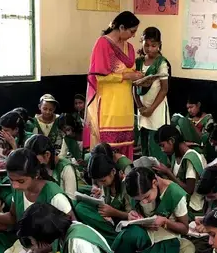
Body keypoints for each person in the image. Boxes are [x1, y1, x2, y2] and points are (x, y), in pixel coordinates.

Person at [84, 11, 142, 158]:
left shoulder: (129, 48)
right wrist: (126, 76)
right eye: (132, 31)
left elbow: (130, 71)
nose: (134, 35)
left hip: (126, 104)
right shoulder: (102, 43)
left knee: (126, 143)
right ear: (122, 28)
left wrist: (139, 78)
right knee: (108, 147)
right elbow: (99, 76)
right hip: (109, 103)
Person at [111, 167, 189, 253]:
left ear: (154, 183)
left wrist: (165, 222)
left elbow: (185, 229)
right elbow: (137, 209)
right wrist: (132, 214)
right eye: (139, 200)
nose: (144, 202)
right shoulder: (139, 189)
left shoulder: (174, 193)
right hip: (146, 232)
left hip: (167, 240)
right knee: (126, 237)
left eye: (147, 197)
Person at [74, 153, 131, 245]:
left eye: (103, 180)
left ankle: (114, 239)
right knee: (80, 207)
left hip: (122, 224)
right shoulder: (106, 185)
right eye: (98, 181)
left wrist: (114, 212)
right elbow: (105, 200)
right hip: (109, 219)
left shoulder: (126, 186)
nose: (101, 184)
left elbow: (132, 216)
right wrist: (97, 199)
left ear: (113, 171)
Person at [134, 27, 171, 165]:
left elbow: (164, 89)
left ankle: (159, 172)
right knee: (144, 141)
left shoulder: (161, 62)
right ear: (141, 42)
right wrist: (140, 106)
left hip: (157, 108)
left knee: (156, 142)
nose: (150, 49)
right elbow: (134, 86)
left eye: (154, 45)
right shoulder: (138, 62)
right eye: (146, 45)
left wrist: (151, 109)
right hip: (142, 108)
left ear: (159, 45)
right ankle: (145, 172)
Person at [154, 124, 207, 201]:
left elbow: (189, 190)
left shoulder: (191, 158)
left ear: (171, 141)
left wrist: (168, 173)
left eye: (163, 145)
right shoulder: (175, 155)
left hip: (193, 207)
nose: (162, 150)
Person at [25, 134, 77, 201]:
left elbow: (71, 199)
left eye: (35, 159)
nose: (32, 162)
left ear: (47, 154)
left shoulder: (66, 168)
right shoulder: (38, 166)